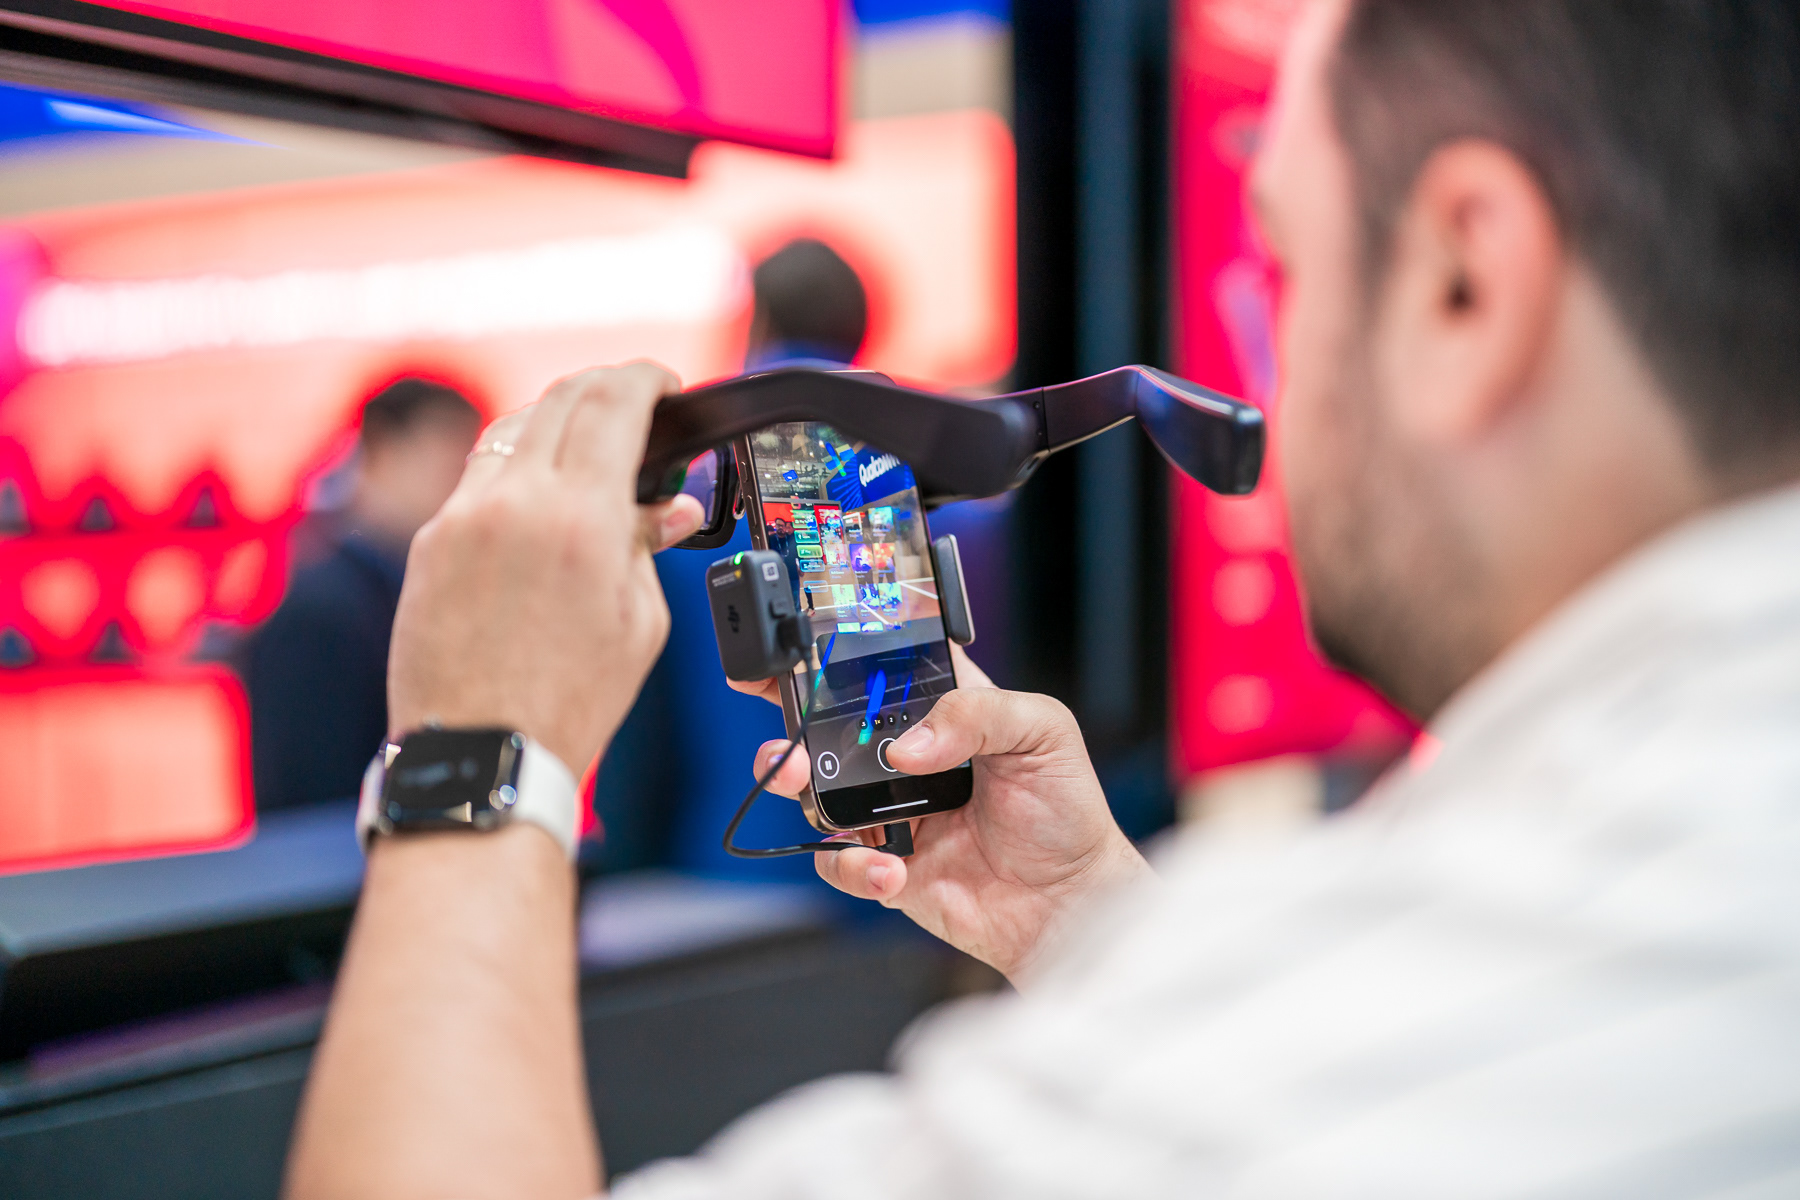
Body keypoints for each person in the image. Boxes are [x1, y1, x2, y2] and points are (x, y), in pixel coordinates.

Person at [284, 1, 1800, 1197]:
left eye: (1282, 270)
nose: (1264, 361)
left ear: (1467, 283)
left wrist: (473, 756)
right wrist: (1091, 928)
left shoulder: (1429, 996)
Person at [241, 377, 481, 809]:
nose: (460, 484)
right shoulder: (323, 611)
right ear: (383, 449)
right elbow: (313, 803)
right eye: (448, 460)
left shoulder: (403, 591)